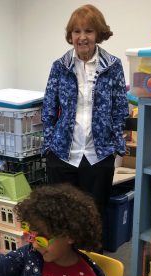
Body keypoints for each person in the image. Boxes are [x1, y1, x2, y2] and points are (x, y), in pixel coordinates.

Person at [42, 4, 128, 219]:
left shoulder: (113, 66)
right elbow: (49, 106)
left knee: (93, 218)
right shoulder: (59, 66)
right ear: (70, 35)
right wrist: (49, 143)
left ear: (98, 34)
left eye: (88, 31)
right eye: (77, 31)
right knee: (60, 218)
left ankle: (88, 254)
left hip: (98, 155)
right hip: (62, 154)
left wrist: (116, 143)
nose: (82, 37)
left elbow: (120, 107)